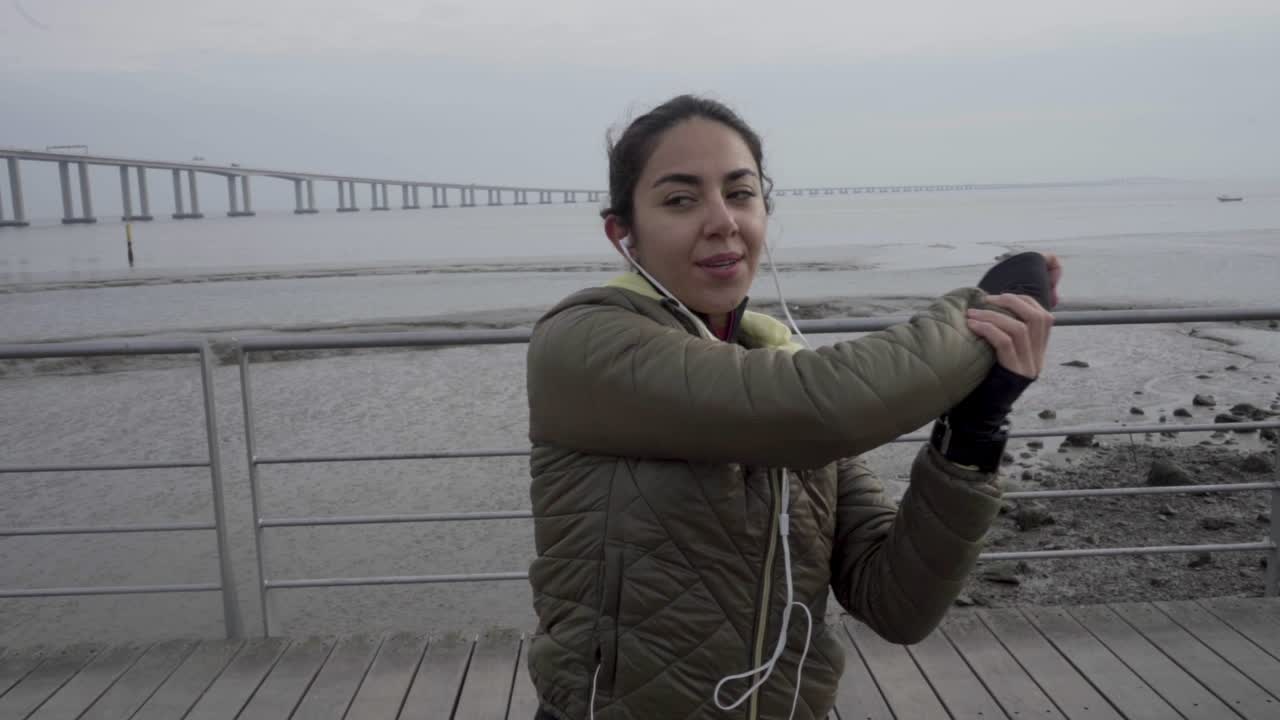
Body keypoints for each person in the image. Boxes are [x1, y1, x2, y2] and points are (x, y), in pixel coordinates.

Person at [525, 95, 1059, 720]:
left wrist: (970, 432)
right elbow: (825, 407)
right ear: (624, 235)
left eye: (741, 193)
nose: (722, 221)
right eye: (680, 199)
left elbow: (898, 603)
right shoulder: (583, 345)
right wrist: (982, 313)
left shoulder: (775, 364)